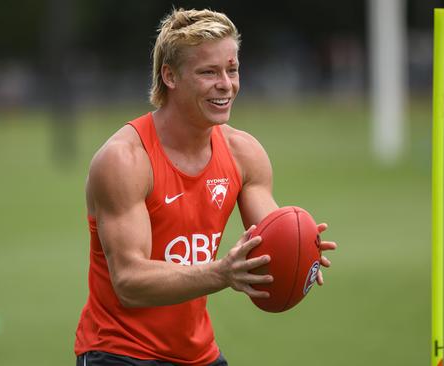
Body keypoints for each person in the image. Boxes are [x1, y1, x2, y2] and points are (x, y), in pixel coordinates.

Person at [74, 8, 337, 366]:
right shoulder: (125, 160)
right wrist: (221, 272)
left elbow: (270, 237)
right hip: (120, 353)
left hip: (198, 355)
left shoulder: (244, 153)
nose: (226, 84)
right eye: (208, 72)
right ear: (170, 76)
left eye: (232, 69)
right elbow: (129, 281)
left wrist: (301, 248)